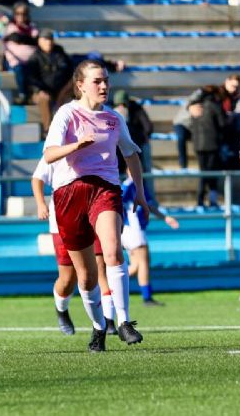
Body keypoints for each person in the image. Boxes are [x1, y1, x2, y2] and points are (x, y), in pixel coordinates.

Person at [43, 59, 149, 352]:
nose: (104, 86)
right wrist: (76, 145)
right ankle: (99, 327)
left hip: (105, 189)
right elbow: (50, 154)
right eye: (96, 82)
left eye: (105, 81)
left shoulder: (114, 118)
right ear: (80, 86)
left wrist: (139, 192)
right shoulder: (66, 113)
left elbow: (130, 155)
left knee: (114, 251)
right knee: (86, 276)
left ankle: (125, 321)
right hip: (69, 194)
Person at [31, 157, 118, 335]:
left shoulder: (95, 148)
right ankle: (61, 310)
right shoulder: (58, 149)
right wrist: (40, 203)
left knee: (101, 269)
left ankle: (108, 322)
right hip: (64, 222)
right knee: (68, 279)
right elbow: (38, 177)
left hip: (94, 216)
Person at [121, 171, 179, 306]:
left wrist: (165, 217)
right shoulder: (128, 185)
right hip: (132, 229)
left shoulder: (139, 185)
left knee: (136, 265)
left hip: (135, 229)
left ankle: (107, 288)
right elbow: (116, 201)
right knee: (143, 262)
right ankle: (146, 297)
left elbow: (149, 205)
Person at [26, 28, 74, 137]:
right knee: (44, 98)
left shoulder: (60, 54)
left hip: (62, 90)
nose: (49, 42)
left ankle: (70, 130)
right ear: (39, 41)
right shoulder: (34, 57)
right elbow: (31, 79)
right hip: (41, 91)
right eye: (45, 39)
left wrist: (64, 91)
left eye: (50, 39)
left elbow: (70, 72)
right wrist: (39, 90)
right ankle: (48, 130)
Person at [112, 89, 155, 201]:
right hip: (116, 151)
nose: (121, 106)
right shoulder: (110, 112)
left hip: (134, 148)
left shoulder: (136, 109)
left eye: (123, 104)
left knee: (140, 175)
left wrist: (138, 137)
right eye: (119, 104)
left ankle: (147, 199)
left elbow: (148, 128)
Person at [188, 85, 226, 207]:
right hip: (212, 144)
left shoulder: (196, 108)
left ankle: (200, 199)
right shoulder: (215, 106)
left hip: (198, 144)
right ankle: (211, 199)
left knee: (203, 171)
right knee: (211, 172)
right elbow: (222, 124)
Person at [0, 2, 38, 105]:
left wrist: (21, 38)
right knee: (20, 69)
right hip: (14, 60)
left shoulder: (31, 27)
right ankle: (22, 94)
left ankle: (33, 94)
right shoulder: (10, 26)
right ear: (14, 14)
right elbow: (4, 36)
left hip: (30, 60)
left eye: (24, 13)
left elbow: (36, 40)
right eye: (18, 13)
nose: (21, 16)